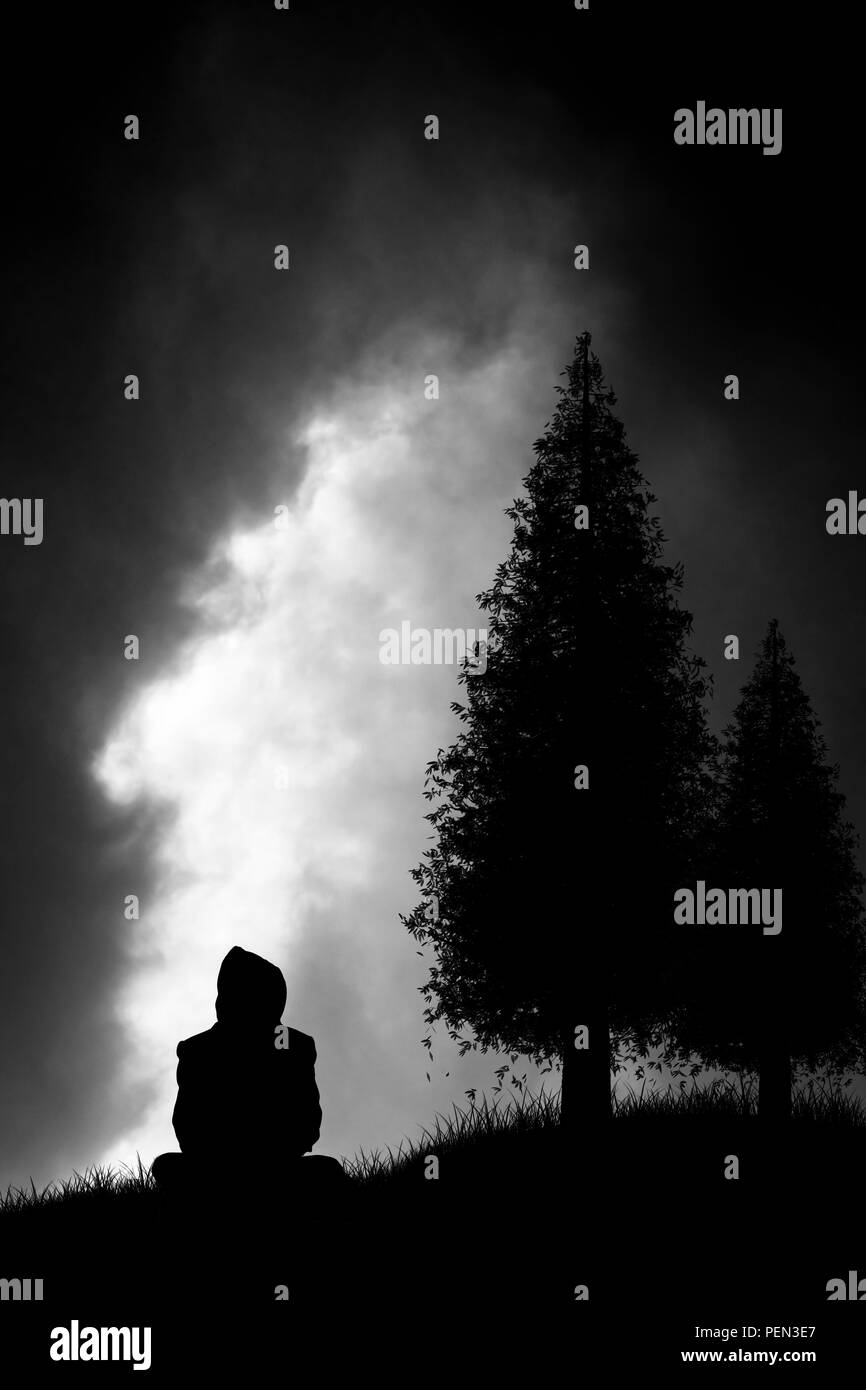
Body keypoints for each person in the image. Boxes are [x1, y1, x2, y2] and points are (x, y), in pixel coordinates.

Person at [151, 945, 349, 1203]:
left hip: (275, 1168)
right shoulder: (197, 1050)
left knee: (327, 1170)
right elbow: (187, 1126)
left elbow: (308, 1122)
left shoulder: (296, 1047)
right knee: (167, 1166)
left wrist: (269, 1154)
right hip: (217, 1170)